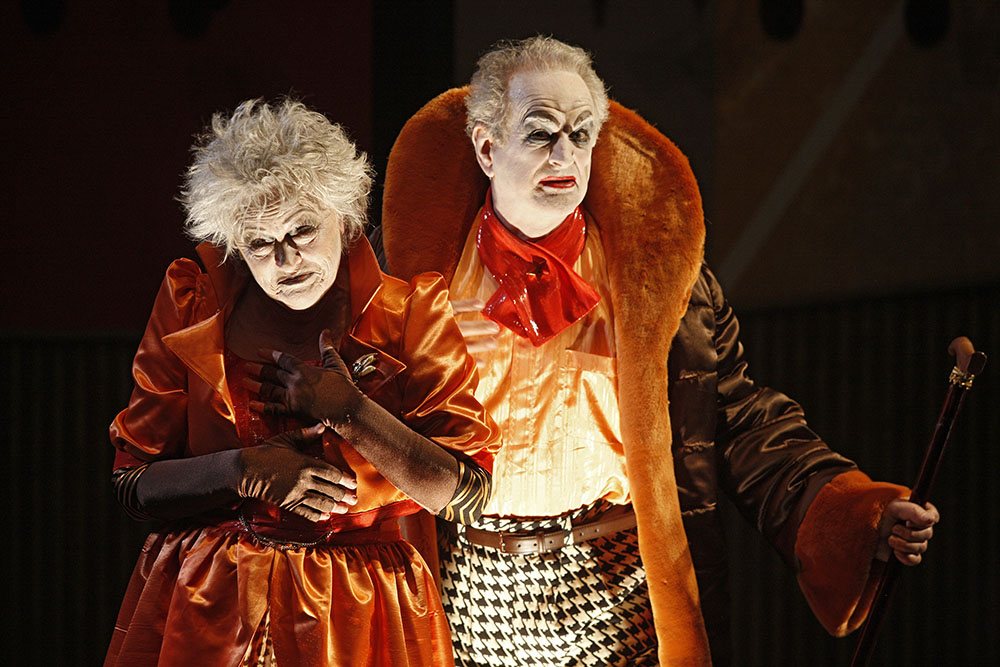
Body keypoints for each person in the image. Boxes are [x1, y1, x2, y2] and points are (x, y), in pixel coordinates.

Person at [377, 37, 940, 666]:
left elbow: (735, 418)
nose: (566, 153)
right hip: (467, 586)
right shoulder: (416, 287)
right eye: (540, 133)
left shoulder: (656, 280)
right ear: (486, 147)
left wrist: (849, 511)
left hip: (616, 581)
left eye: (582, 133)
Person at [105, 99, 499, 667]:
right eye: (259, 243)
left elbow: (468, 494)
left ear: (343, 217)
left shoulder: (409, 313)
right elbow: (132, 483)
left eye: (303, 230)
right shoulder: (193, 300)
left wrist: (353, 414)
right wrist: (241, 470)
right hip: (208, 609)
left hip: (363, 618)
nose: (286, 259)